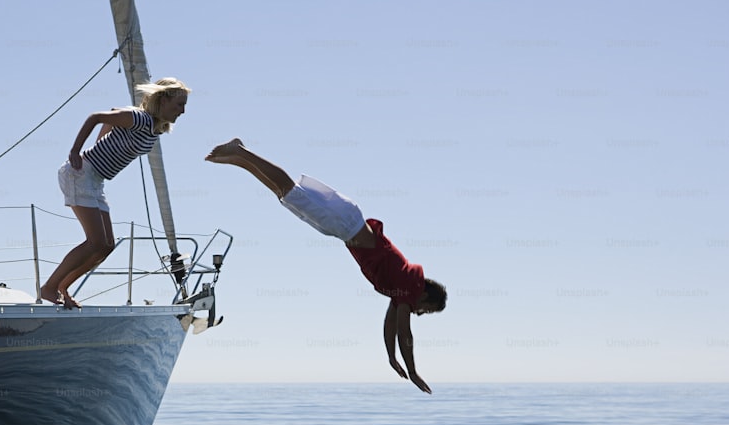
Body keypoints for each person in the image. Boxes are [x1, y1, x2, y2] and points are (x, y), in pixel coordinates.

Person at [205, 138, 447, 394]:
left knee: (284, 195)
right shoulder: (410, 285)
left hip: (343, 226)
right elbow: (403, 332)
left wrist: (391, 358)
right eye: (427, 310)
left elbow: (390, 325)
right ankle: (242, 151)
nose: (421, 313)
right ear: (425, 295)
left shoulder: (402, 289)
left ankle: (240, 160)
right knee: (289, 190)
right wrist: (413, 371)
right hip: (345, 223)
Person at [41, 78, 191, 308]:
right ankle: (49, 288)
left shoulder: (155, 130)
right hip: (80, 173)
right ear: (163, 99)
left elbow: (112, 113)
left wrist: (104, 139)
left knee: (107, 246)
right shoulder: (139, 118)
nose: (183, 111)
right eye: (180, 104)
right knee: (95, 241)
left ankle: (62, 287)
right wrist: (75, 151)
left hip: (96, 180)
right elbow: (97, 117)